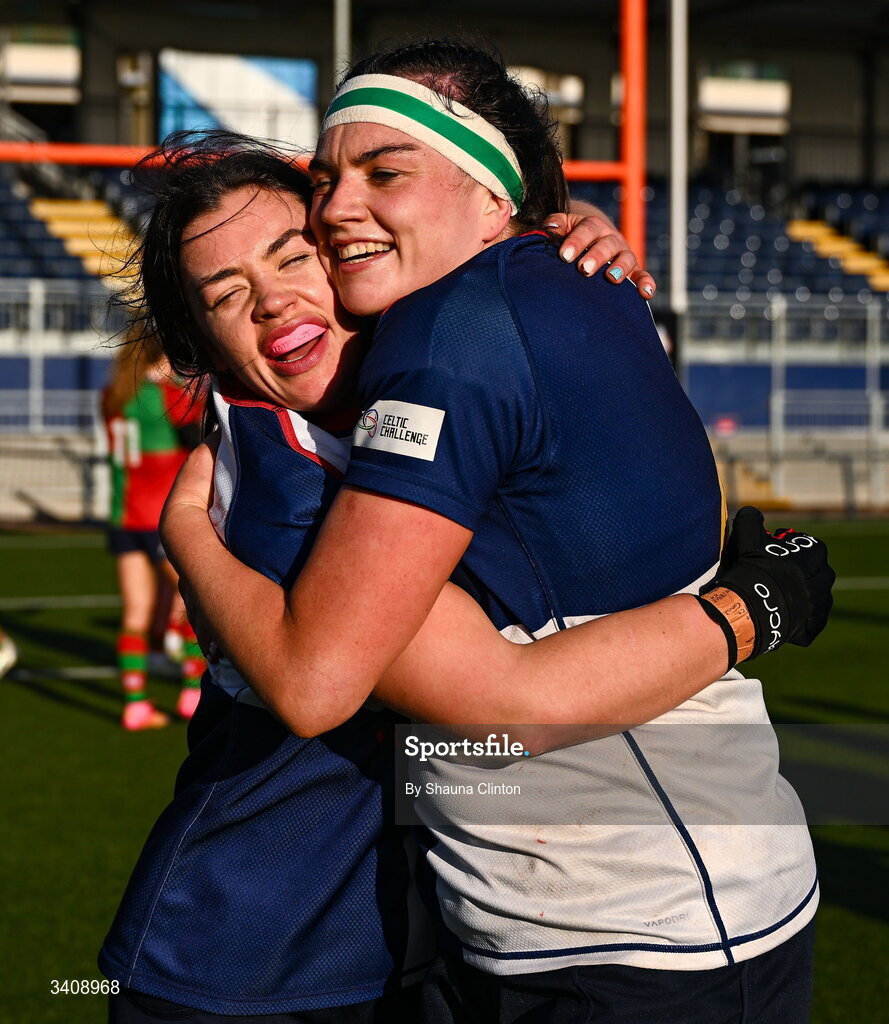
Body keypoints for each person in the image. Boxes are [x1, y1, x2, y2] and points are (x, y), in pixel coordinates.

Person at [161, 42, 833, 1024]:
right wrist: (751, 609)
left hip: (626, 919)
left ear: (495, 196)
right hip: (297, 949)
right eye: (224, 295)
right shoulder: (303, 454)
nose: (340, 209)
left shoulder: (463, 324)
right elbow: (412, 694)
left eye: (382, 174)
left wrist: (561, 227)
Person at [100, 133, 692, 1022]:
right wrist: (748, 611)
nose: (270, 302)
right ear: (205, 348)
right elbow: (505, 707)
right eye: (225, 297)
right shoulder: (280, 492)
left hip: (406, 946)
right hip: (241, 967)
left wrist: (559, 245)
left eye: (292, 256)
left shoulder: (412, 395)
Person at [102, 338, 206, 729]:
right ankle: (192, 692)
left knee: (135, 614)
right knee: (195, 602)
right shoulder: (163, 394)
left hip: (121, 514)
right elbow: (197, 427)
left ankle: (135, 703)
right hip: (159, 516)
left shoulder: (112, 395)